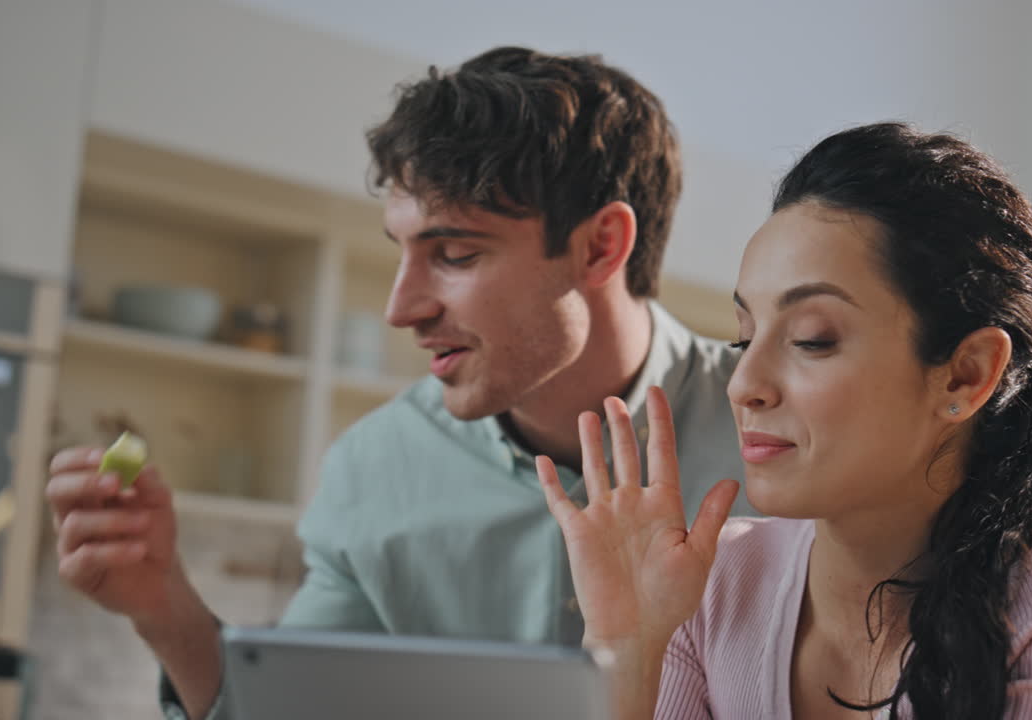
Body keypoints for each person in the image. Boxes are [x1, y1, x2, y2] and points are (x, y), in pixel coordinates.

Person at [44, 46, 752, 720]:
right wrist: (164, 606)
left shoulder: (775, 427)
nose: (400, 309)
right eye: (402, 253)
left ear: (600, 246)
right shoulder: (373, 470)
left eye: (453, 253)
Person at [540, 122, 1032, 719]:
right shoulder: (718, 586)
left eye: (814, 338)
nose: (745, 384)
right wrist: (628, 656)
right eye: (745, 338)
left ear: (966, 374)